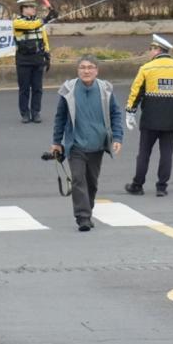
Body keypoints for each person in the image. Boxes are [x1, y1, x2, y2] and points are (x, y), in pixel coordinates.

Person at [50, 54, 123, 232]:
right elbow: (60, 117)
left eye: (90, 67)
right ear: (78, 70)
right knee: (78, 179)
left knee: (92, 182)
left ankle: (87, 210)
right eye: (82, 67)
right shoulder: (69, 90)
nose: (86, 71)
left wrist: (117, 138)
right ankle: (82, 217)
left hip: (97, 145)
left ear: (96, 71)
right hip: (75, 145)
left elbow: (115, 114)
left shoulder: (105, 89)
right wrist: (56, 142)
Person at [124, 34, 173, 197]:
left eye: (151, 49)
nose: (149, 52)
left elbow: (136, 92)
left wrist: (130, 113)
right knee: (166, 153)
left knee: (144, 152)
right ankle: (161, 187)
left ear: (157, 50)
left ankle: (138, 184)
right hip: (171, 119)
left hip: (150, 118)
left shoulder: (146, 68)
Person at [12, 0, 58, 124]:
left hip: (38, 58)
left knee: (38, 88)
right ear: (24, 9)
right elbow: (31, 26)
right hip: (23, 59)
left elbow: (43, 38)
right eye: (31, 7)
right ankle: (25, 114)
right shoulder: (17, 22)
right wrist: (48, 17)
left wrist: (47, 54)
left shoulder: (38, 21)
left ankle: (36, 112)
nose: (33, 9)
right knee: (24, 88)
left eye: (33, 7)